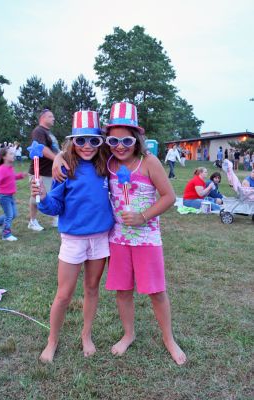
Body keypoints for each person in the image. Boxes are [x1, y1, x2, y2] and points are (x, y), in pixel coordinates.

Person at [53, 102, 187, 366]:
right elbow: (78, 149)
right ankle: (128, 334)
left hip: (146, 239)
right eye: (113, 140)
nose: (120, 145)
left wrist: (143, 216)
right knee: (123, 291)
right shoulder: (109, 160)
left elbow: (169, 196)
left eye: (126, 140)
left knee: (156, 291)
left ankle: (168, 339)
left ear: (136, 139)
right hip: (116, 239)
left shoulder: (149, 162)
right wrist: (58, 156)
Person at [31, 110, 114, 363]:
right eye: (80, 141)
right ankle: (52, 340)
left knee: (92, 288)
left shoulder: (106, 165)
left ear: (100, 141)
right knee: (64, 294)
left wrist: (56, 156)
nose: (87, 146)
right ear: (72, 142)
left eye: (93, 140)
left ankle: (85, 335)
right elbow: (54, 207)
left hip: (100, 239)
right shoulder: (66, 168)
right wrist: (44, 196)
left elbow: (126, 146)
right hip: (73, 239)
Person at [28, 109, 59, 231]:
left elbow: (54, 148)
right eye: (50, 116)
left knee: (55, 194)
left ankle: (56, 217)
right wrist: (57, 159)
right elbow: (42, 148)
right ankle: (32, 221)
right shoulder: (38, 131)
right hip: (38, 171)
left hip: (50, 171)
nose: (53, 118)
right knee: (36, 197)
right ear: (43, 118)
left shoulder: (49, 133)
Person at [0, 147, 28, 241]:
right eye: (10, 153)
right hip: (3, 196)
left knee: (13, 214)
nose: (13, 155)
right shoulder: (1, 169)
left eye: (13, 153)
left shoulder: (10, 167)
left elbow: (12, 177)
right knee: (9, 215)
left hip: (10, 196)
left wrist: (20, 175)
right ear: (4, 157)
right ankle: (6, 235)